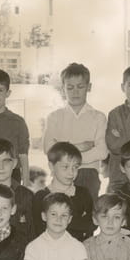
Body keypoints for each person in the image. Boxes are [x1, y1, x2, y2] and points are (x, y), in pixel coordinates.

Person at [42, 62, 108, 200]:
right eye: (70, 87)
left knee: (87, 211)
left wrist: (65, 153)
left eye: (80, 87)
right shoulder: (54, 117)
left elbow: (102, 152)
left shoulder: (98, 117)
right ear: (63, 89)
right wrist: (81, 146)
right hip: (60, 173)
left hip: (88, 174)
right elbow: (48, 148)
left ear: (89, 87)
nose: (75, 92)